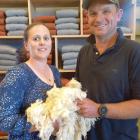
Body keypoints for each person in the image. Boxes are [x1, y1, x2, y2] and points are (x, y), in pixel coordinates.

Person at [76, 0, 140, 140]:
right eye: (93, 13)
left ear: (119, 15)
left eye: (106, 11)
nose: (99, 19)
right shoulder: (83, 53)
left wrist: (99, 109)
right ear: (87, 18)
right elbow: (80, 93)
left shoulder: (134, 51)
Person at [0, 23, 61, 140]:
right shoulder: (18, 74)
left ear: (51, 43)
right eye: (36, 38)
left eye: (46, 38)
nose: (42, 42)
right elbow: (3, 120)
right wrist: (43, 123)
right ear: (27, 45)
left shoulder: (55, 72)